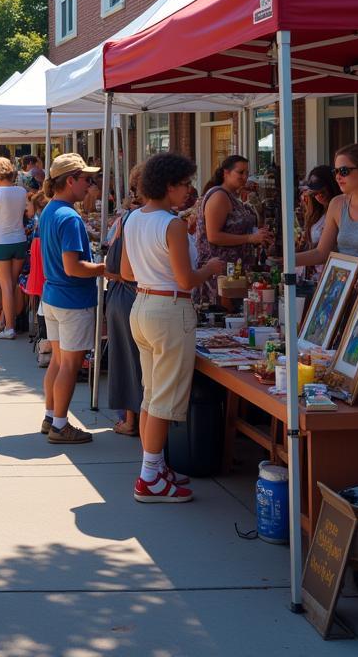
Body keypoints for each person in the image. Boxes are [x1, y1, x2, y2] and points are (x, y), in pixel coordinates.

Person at [121, 153, 224, 503]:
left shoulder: (134, 218)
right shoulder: (172, 224)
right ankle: (150, 475)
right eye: (184, 184)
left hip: (143, 305)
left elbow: (127, 272)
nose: (189, 191)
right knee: (164, 398)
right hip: (170, 308)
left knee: (153, 394)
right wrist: (211, 267)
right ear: (169, 185)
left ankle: (154, 467)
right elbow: (187, 279)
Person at [38, 153, 106, 445]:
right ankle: (61, 425)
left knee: (57, 361)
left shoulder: (50, 210)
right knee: (69, 365)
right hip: (72, 299)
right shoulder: (70, 217)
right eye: (87, 179)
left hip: (53, 295)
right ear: (70, 180)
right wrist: (106, 269)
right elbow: (73, 267)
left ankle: (51, 416)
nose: (90, 185)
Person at [194, 155, 272, 303]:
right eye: (240, 172)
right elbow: (213, 236)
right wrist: (250, 238)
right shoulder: (219, 196)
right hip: (221, 274)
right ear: (226, 173)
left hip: (235, 272)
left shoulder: (233, 197)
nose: (244, 177)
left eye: (247, 173)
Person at [294, 143, 358, 266]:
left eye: (343, 171)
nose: (337, 177)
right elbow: (321, 253)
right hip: (341, 283)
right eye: (335, 171)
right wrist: (285, 261)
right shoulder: (337, 204)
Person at [105, 163, 145, 436]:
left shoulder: (125, 219)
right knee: (136, 362)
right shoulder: (148, 219)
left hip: (120, 295)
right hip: (134, 293)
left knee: (128, 360)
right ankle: (133, 421)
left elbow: (109, 260)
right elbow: (116, 266)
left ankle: (130, 419)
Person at [0, 157, 31, 339]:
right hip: (19, 240)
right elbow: (27, 212)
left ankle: (9, 327)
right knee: (12, 285)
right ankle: (9, 321)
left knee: (5, 285)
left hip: (0, 241)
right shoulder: (21, 191)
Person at [296, 165, 341, 280]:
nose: (319, 196)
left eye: (323, 191)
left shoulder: (340, 210)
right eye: (315, 193)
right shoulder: (317, 214)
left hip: (334, 274)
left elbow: (324, 251)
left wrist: (288, 260)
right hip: (314, 274)